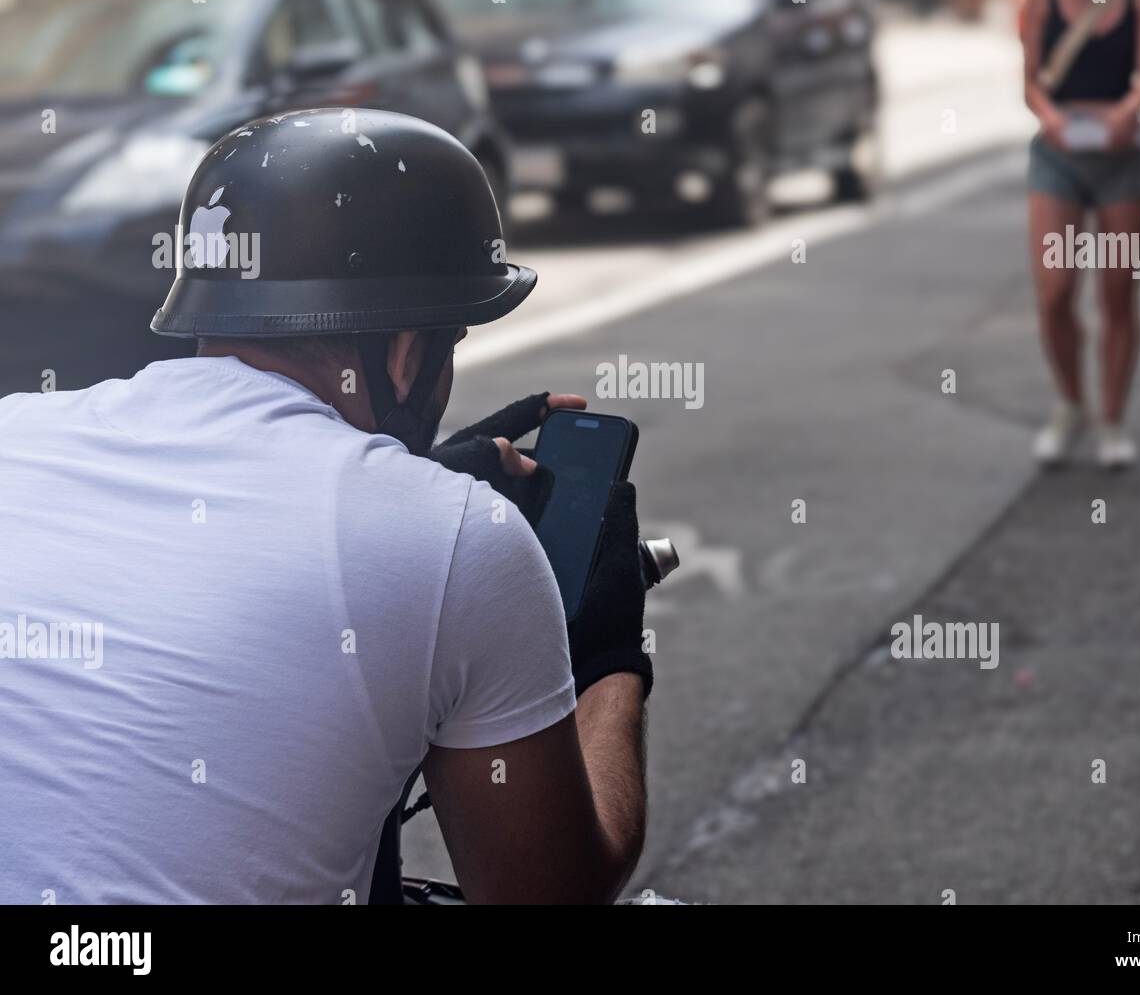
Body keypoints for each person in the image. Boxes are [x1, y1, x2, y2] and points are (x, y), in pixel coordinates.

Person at [0, 109, 652, 904]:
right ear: (410, 355)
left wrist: (400, 481)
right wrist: (610, 657)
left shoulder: (16, 431)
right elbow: (553, 896)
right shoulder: (458, 540)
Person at [1020, 0, 1140, 468]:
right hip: (1058, 160)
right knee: (1055, 293)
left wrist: (1129, 112)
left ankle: (1113, 420)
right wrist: (1050, 118)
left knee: (1118, 295)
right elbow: (1030, 81)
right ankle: (1069, 402)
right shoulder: (1040, 1)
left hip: (1124, 162)